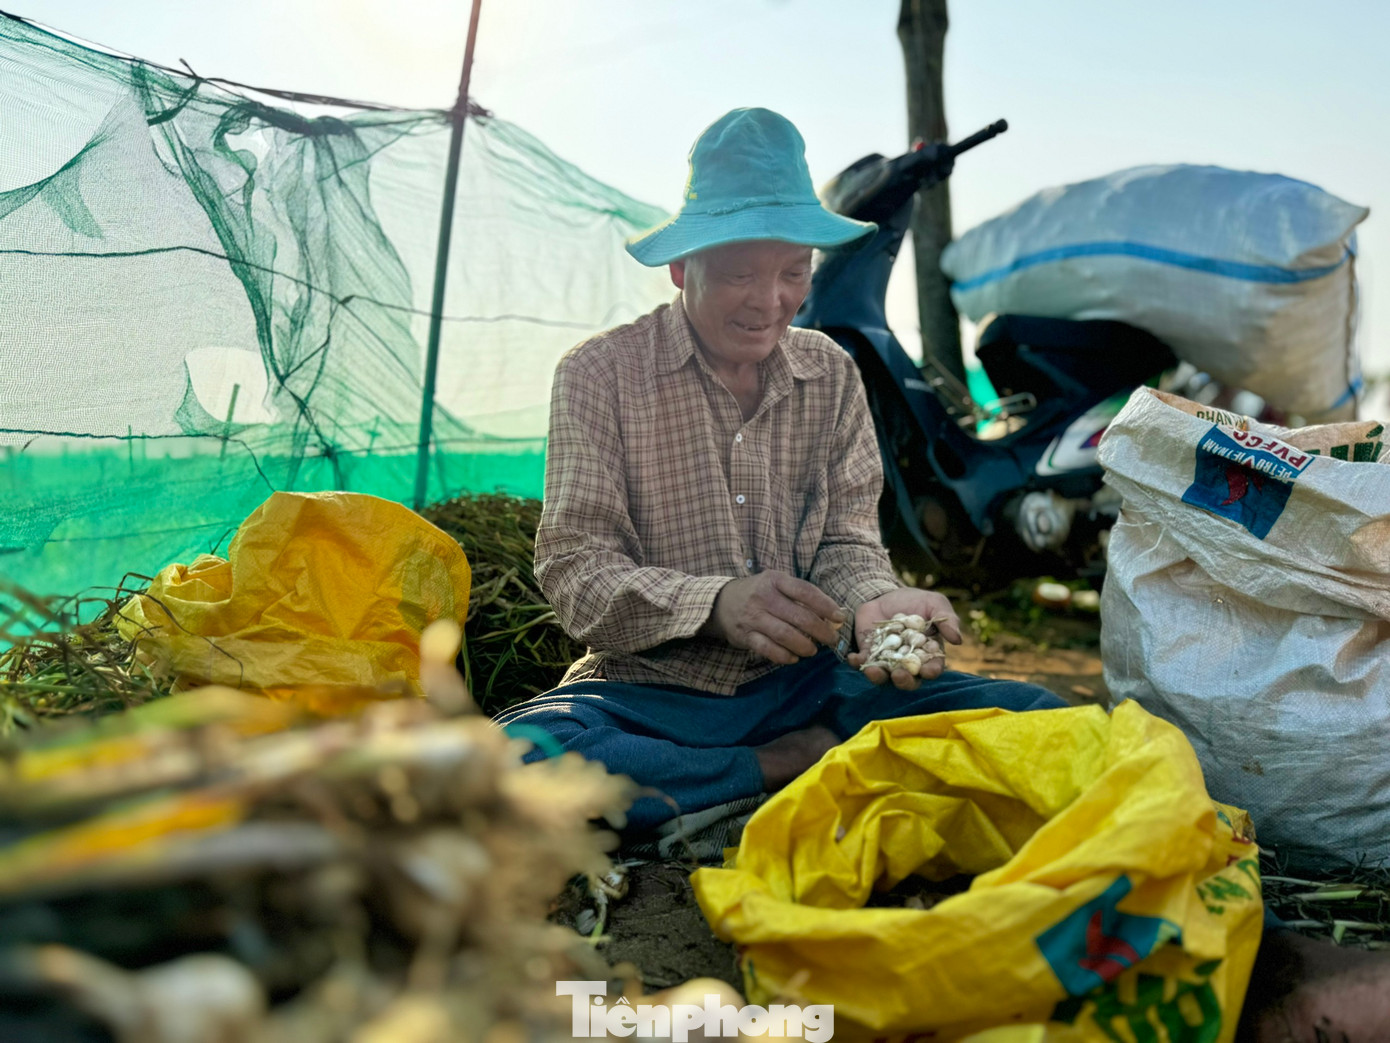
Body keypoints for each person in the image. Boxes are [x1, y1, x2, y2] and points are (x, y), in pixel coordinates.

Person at [495, 106, 1390, 1040]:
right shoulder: (597, 378)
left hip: (815, 687)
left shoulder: (829, 373)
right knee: (509, 768)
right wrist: (716, 603)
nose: (770, 299)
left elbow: (846, 542)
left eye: (793, 271)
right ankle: (760, 768)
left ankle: (1281, 961)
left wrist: (878, 604)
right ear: (683, 267)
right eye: (740, 273)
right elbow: (575, 571)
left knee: (1067, 733)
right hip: (646, 693)